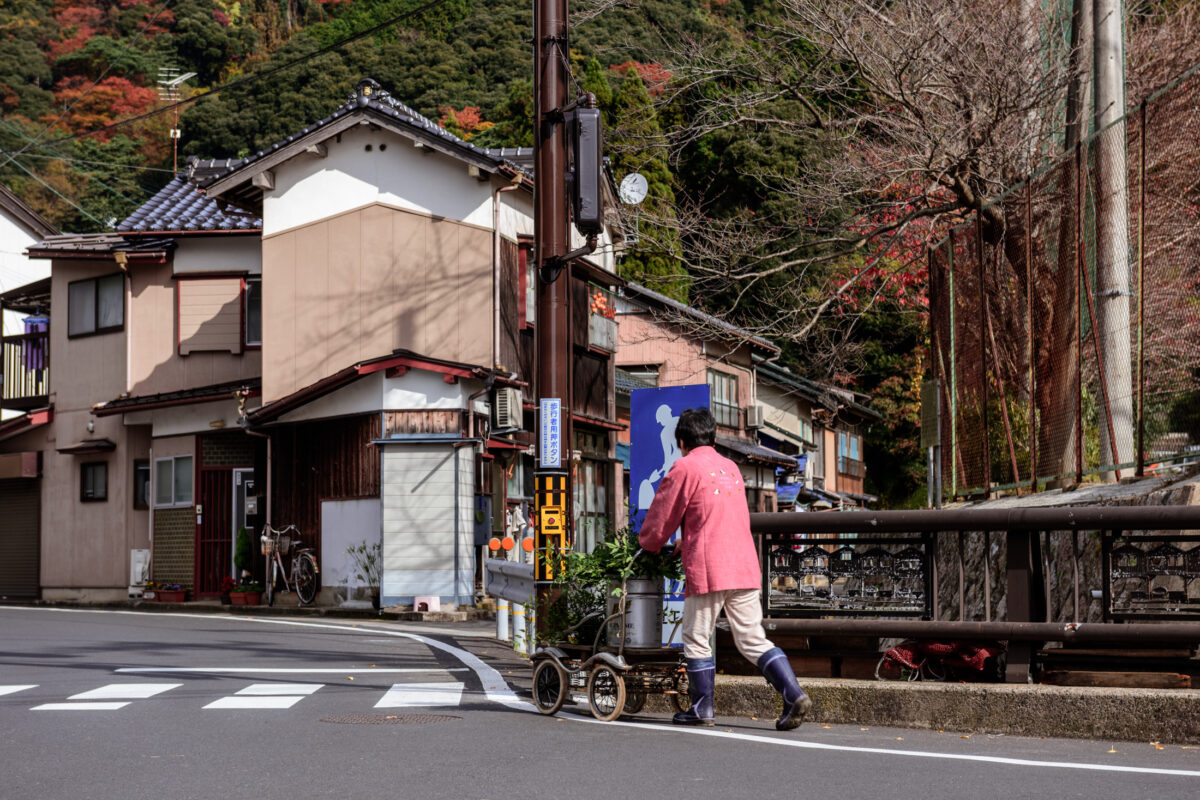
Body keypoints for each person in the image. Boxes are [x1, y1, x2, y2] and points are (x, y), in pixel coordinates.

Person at [638, 407, 812, 730]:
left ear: (681, 441)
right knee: (751, 639)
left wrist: (649, 543)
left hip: (709, 568)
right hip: (743, 564)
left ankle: (702, 708)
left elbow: (661, 520)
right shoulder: (731, 467)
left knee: (696, 635)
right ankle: (793, 693)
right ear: (715, 437)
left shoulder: (685, 467)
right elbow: (716, 517)